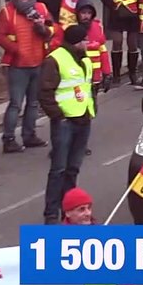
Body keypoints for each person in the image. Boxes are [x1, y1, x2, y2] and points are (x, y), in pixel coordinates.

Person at [0, 0, 54, 154]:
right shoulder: (7, 12)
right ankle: (9, 138)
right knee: (16, 104)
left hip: (38, 62)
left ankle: (29, 135)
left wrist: (42, 28)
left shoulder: (40, 9)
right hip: (18, 66)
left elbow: (53, 29)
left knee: (33, 103)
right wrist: (15, 49)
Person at [39, 23, 94, 224]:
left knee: (73, 169)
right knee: (58, 170)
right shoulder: (55, 60)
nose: (88, 43)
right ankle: (51, 214)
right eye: (85, 41)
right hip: (65, 122)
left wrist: (90, 109)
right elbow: (45, 92)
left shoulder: (85, 60)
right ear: (77, 42)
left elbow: (87, 88)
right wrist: (58, 116)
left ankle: (70, 211)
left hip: (83, 119)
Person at [98, 0, 141, 87]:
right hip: (116, 11)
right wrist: (111, 4)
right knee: (117, 41)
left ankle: (133, 73)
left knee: (132, 43)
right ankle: (116, 74)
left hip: (133, 12)